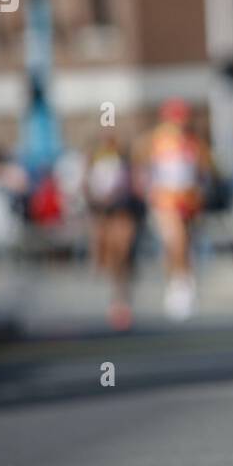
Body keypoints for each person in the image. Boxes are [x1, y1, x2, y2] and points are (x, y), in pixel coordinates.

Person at [137, 100, 212, 321]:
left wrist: (200, 191)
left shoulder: (194, 143)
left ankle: (184, 281)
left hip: (188, 199)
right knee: (174, 241)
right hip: (165, 199)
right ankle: (178, 285)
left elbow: (204, 170)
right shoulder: (156, 140)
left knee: (186, 243)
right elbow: (142, 165)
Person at [84, 137, 143, 329]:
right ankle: (116, 302)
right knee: (109, 260)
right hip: (104, 214)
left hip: (122, 212)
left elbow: (135, 187)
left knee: (123, 257)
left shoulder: (125, 162)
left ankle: (122, 302)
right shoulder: (93, 161)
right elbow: (87, 187)